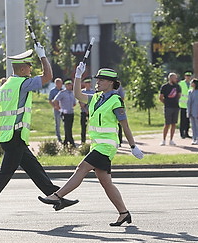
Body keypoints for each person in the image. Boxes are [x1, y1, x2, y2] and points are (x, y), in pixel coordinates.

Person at [0, 43, 78, 229]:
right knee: (3, 176)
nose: (31, 69)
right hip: (15, 137)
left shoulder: (5, 86)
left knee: (34, 168)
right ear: (22, 68)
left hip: (10, 136)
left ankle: (56, 197)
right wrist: (43, 56)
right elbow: (48, 76)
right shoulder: (22, 83)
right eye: (29, 66)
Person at [38, 63, 144, 226]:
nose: (98, 82)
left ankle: (57, 197)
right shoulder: (95, 97)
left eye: (101, 80)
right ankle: (124, 213)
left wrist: (133, 146)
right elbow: (78, 94)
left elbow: (125, 125)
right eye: (98, 79)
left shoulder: (116, 100)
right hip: (97, 145)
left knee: (82, 168)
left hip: (107, 146)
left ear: (110, 83)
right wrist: (78, 76)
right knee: (106, 183)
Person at [159, 73, 181, 146]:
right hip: (168, 107)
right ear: (170, 78)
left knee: (174, 124)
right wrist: (166, 102)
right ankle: (164, 139)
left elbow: (179, 95)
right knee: (167, 123)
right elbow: (161, 97)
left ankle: (171, 139)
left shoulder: (177, 86)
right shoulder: (165, 87)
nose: (176, 79)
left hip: (175, 107)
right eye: (174, 78)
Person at [53, 78, 77, 147]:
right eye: (68, 85)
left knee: (70, 127)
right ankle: (71, 142)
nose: (70, 86)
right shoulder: (62, 93)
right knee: (67, 128)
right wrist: (58, 108)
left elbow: (74, 103)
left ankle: (66, 142)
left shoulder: (72, 93)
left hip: (71, 112)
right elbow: (55, 100)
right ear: (65, 85)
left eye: (71, 85)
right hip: (65, 113)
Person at [187, 79, 198, 145]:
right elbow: (189, 102)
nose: (191, 84)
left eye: (192, 83)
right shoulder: (190, 92)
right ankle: (194, 138)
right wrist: (188, 111)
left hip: (197, 111)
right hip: (191, 111)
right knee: (193, 126)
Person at [79, 76, 95, 143]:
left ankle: (93, 141)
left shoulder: (94, 92)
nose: (88, 84)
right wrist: (85, 109)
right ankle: (83, 142)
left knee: (93, 128)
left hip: (92, 112)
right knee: (83, 128)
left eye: (89, 83)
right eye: (86, 83)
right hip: (84, 112)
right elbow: (81, 103)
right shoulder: (82, 92)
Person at [48, 78, 63, 142]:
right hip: (57, 109)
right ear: (56, 84)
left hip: (63, 109)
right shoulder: (53, 91)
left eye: (61, 83)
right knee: (58, 123)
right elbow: (50, 100)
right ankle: (58, 136)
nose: (61, 84)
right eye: (59, 83)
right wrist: (55, 106)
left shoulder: (63, 90)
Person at [179, 71, 192, 138]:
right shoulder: (181, 83)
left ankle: (186, 133)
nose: (188, 77)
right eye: (187, 76)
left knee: (188, 120)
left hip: (189, 105)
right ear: (185, 76)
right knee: (182, 120)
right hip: (182, 104)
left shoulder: (192, 84)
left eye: (189, 76)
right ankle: (182, 133)